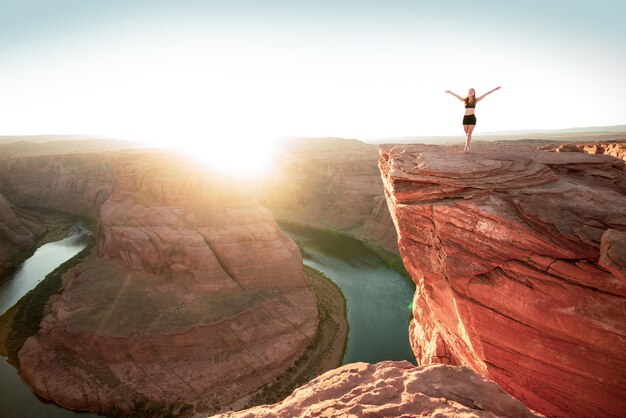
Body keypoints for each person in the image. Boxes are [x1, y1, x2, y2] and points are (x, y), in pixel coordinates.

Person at [445, 86, 501, 153]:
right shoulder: (465, 100)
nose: (470, 92)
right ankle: (468, 146)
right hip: (465, 118)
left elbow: (486, 94)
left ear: (474, 93)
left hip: (472, 118)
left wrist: (494, 89)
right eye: (469, 91)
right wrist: (450, 92)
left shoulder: (475, 100)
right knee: (466, 134)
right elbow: (456, 96)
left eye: (472, 91)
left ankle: (466, 148)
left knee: (469, 134)